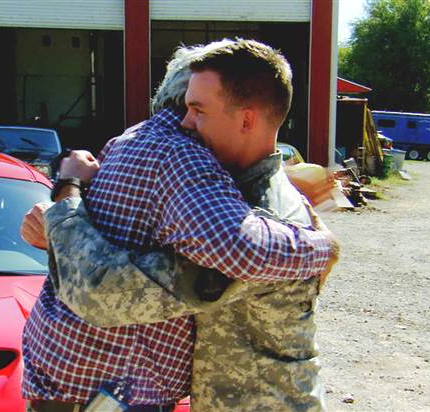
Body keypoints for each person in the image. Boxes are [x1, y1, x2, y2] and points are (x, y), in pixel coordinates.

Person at [21, 39, 339, 412]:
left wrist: (324, 248)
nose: (184, 124)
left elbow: (100, 292)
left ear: (246, 119)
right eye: (186, 108)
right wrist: (61, 215)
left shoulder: (241, 201)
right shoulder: (195, 173)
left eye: (197, 110)